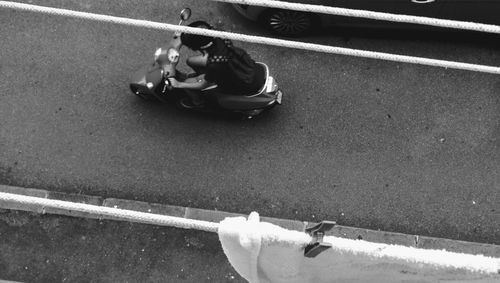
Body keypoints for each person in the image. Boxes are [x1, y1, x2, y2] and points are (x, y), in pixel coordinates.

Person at [169, 21, 261, 108]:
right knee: (191, 60)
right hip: (233, 61)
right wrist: (182, 35)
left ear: (199, 47)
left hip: (236, 79)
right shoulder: (217, 34)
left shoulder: (215, 65)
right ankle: (204, 75)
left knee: (186, 83)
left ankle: (198, 102)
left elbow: (202, 85)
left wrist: (178, 84)